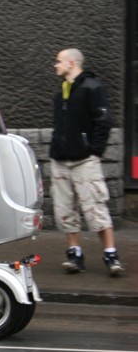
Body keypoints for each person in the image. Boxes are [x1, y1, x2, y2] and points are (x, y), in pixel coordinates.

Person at [50, 48, 124, 275]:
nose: (55, 65)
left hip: (84, 161)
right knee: (65, 209)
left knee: (96, 208)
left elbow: (103, 121)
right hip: (60, 160)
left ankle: (111, 255)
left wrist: (95, 152)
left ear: (72, 63)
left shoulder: (92, 88)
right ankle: (75, 255)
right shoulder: (61, 92)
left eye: (59, 61)